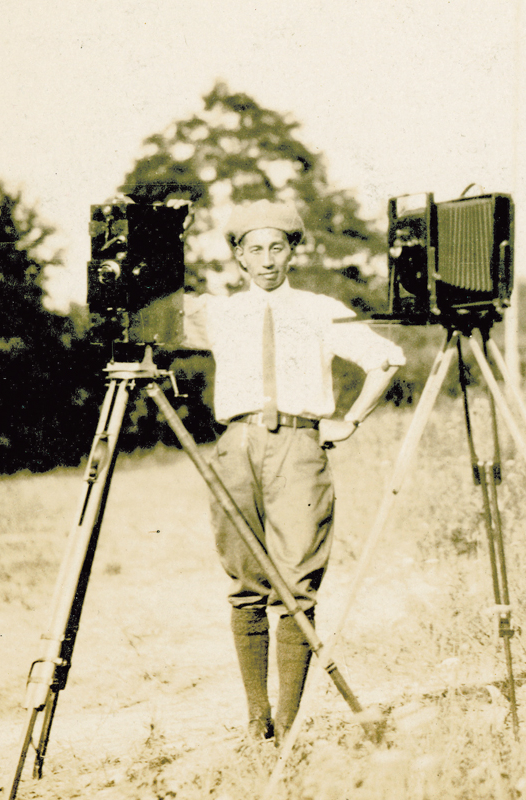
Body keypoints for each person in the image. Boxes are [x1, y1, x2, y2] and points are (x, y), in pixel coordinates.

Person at [181, 199, 404, 746]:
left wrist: (349, 421)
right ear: (237, 256)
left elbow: (388, 359)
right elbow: (148, 315)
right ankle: (255, 717)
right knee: (244, 582)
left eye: (276, 247)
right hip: (236, 446)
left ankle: (286, 723)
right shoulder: (219, 312)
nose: (265, 260)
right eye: (253, 249)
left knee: (297, 585)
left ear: (292, 252)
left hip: (300, 448)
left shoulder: (319, 308)